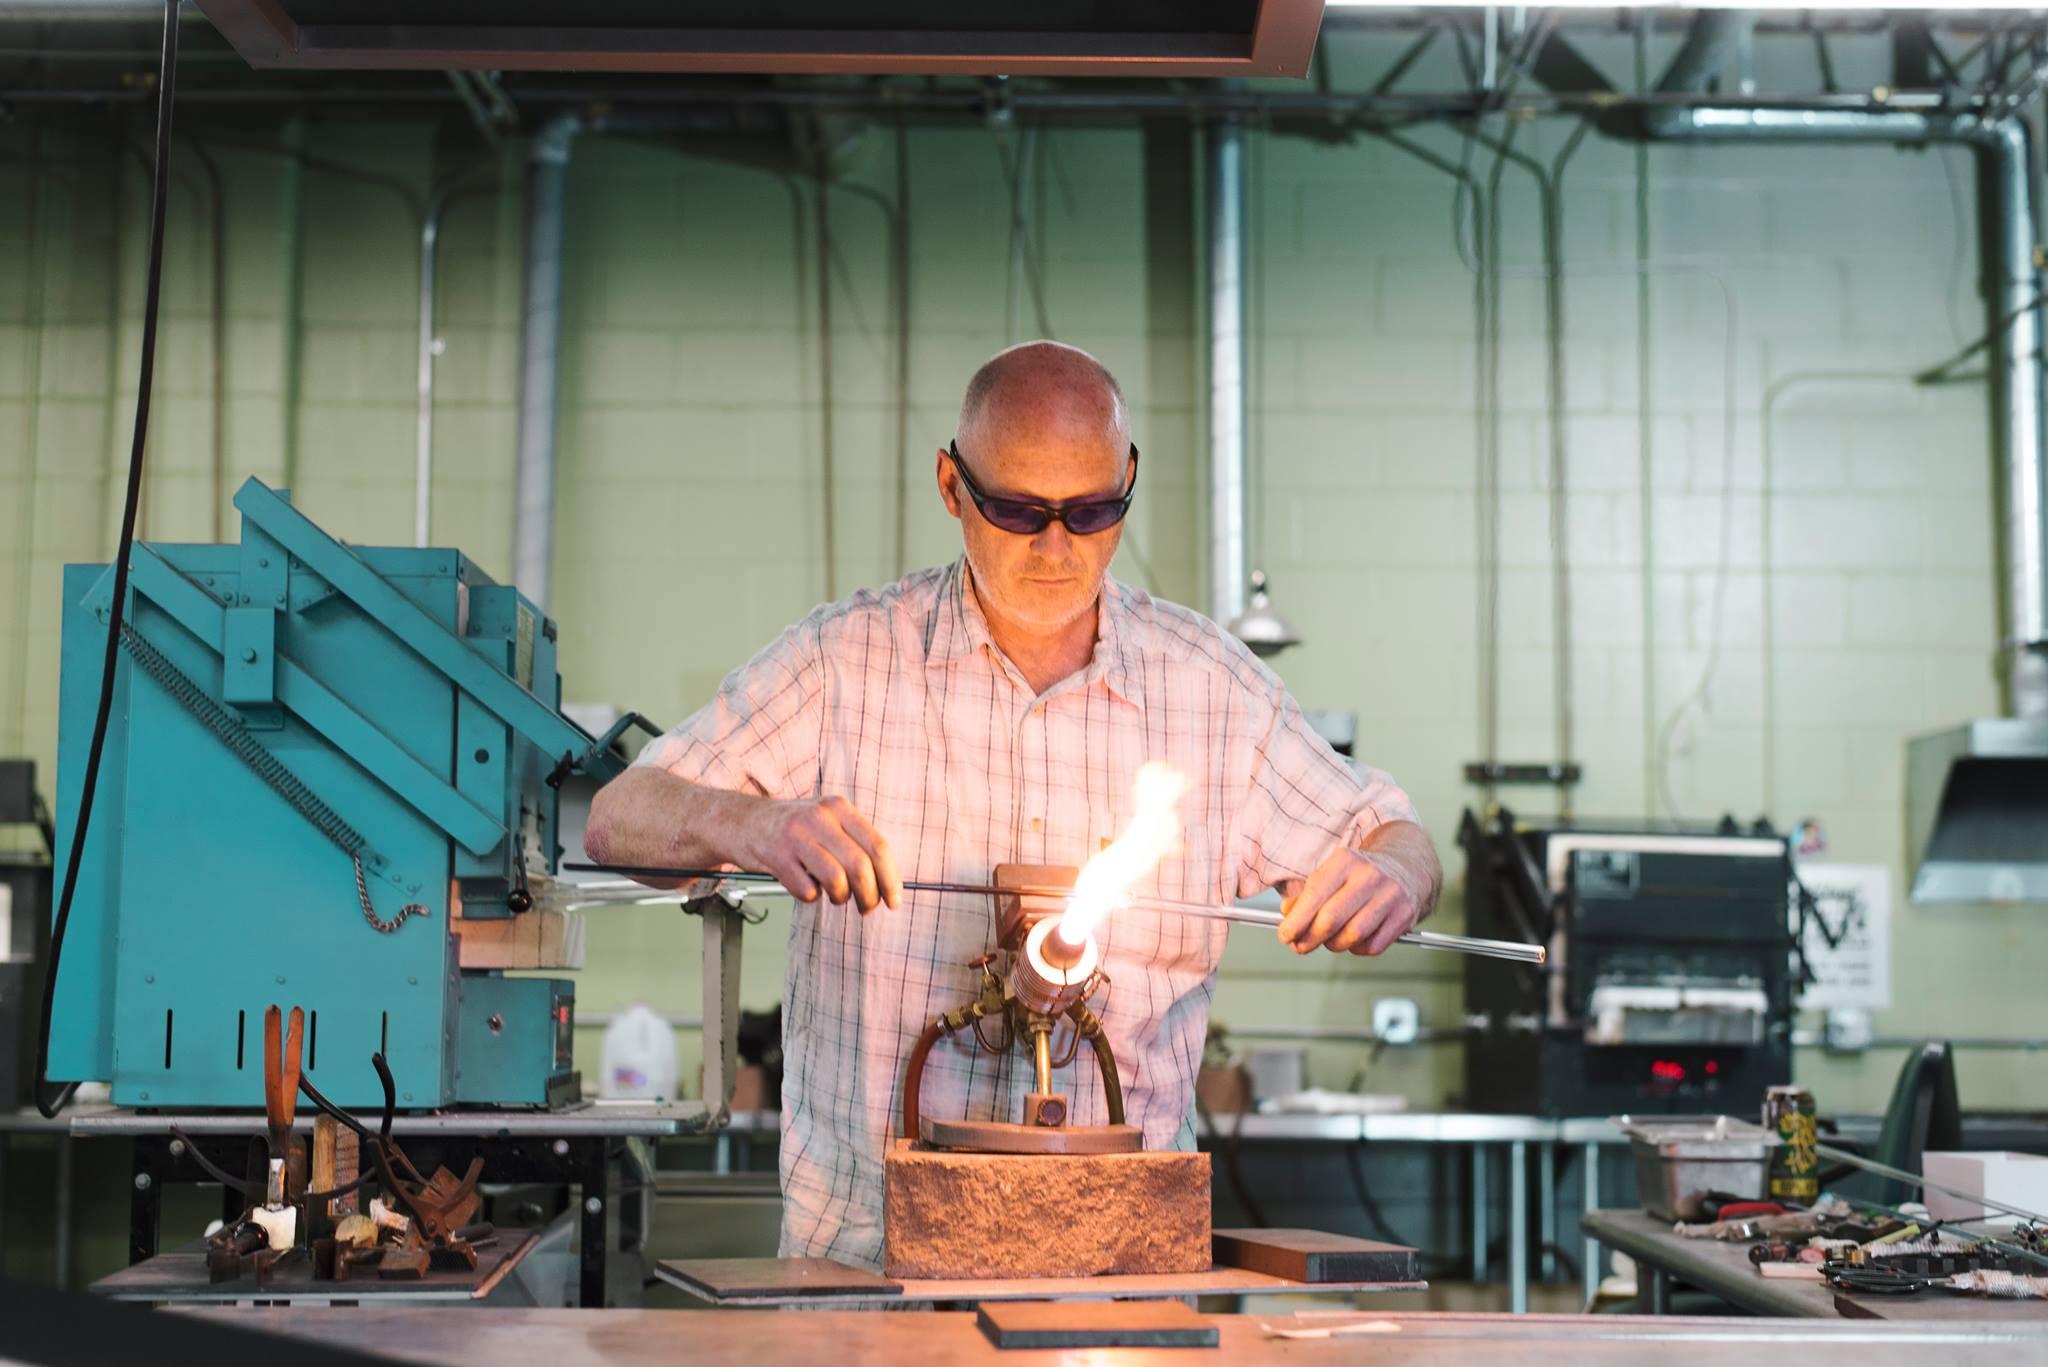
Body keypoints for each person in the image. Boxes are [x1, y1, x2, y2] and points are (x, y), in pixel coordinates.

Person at [585, 340, 1442, 1269]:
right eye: (1018, 510)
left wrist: (1391, 874)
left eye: (1092, 511)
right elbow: (618, 815)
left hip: (1117, 1278)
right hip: (870, 1270)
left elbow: (1395, 838)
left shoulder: (1212, 691)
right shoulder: (845, 663)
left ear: (1129, 482)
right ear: (952, 486)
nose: (1056, 548)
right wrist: (753, 825)